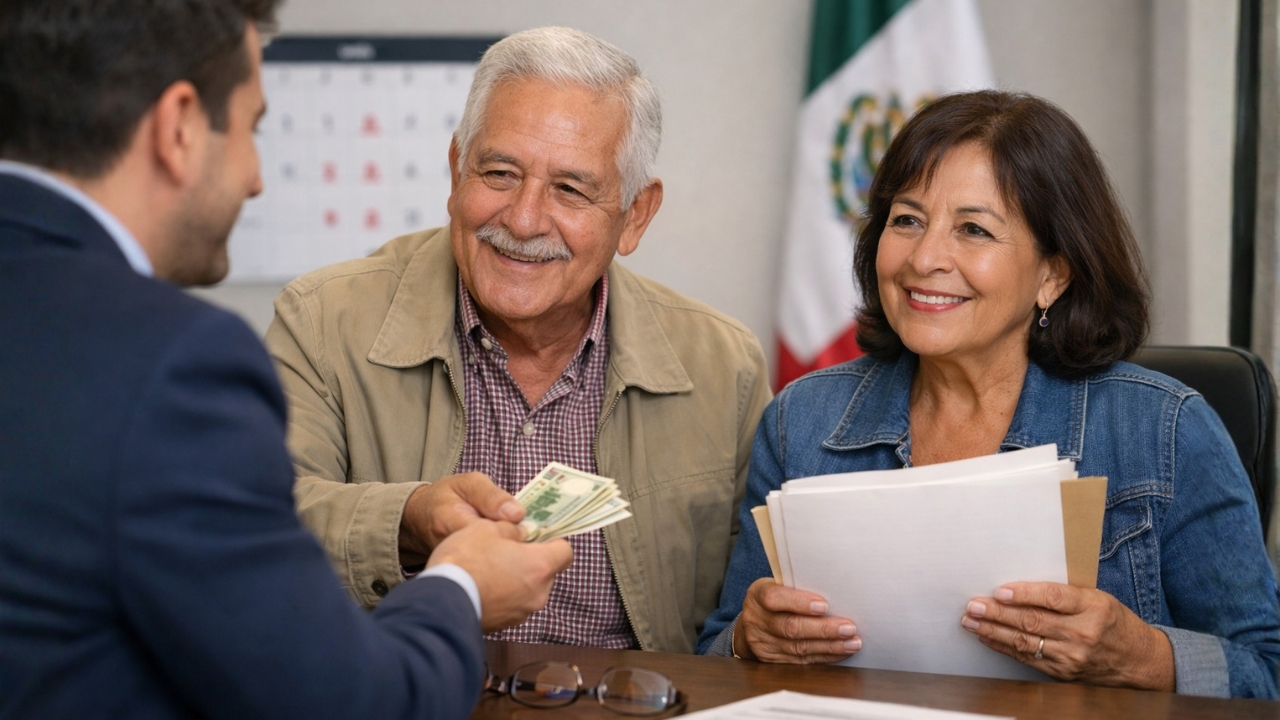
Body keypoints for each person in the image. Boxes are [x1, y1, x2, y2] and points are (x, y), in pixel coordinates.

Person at [0, 2, 572, 718]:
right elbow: (350, 703)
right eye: (253, 128)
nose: (256, 179)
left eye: (570, 188)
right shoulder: (174, 362)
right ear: (179, 127)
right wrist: (458, 586)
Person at [698, 90, 1280, 698]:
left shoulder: (1165, 429)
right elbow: (719, 654)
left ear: (1054, 274)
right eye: (907, 220)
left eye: (974, 230)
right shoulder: (801, 419)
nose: (925, 258)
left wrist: (1144, 657)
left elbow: (1266, 672)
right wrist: (748, 639)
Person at [264, 25, 772, 654]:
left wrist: (753, 634)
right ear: (456, 170)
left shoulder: (725, 366)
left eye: (570, 189)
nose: (525, 220)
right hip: (409, 692)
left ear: (635, 214)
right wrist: (409, 521)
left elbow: (739, 622)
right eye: (500, 173)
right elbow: (253, 528)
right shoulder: (322, 321)